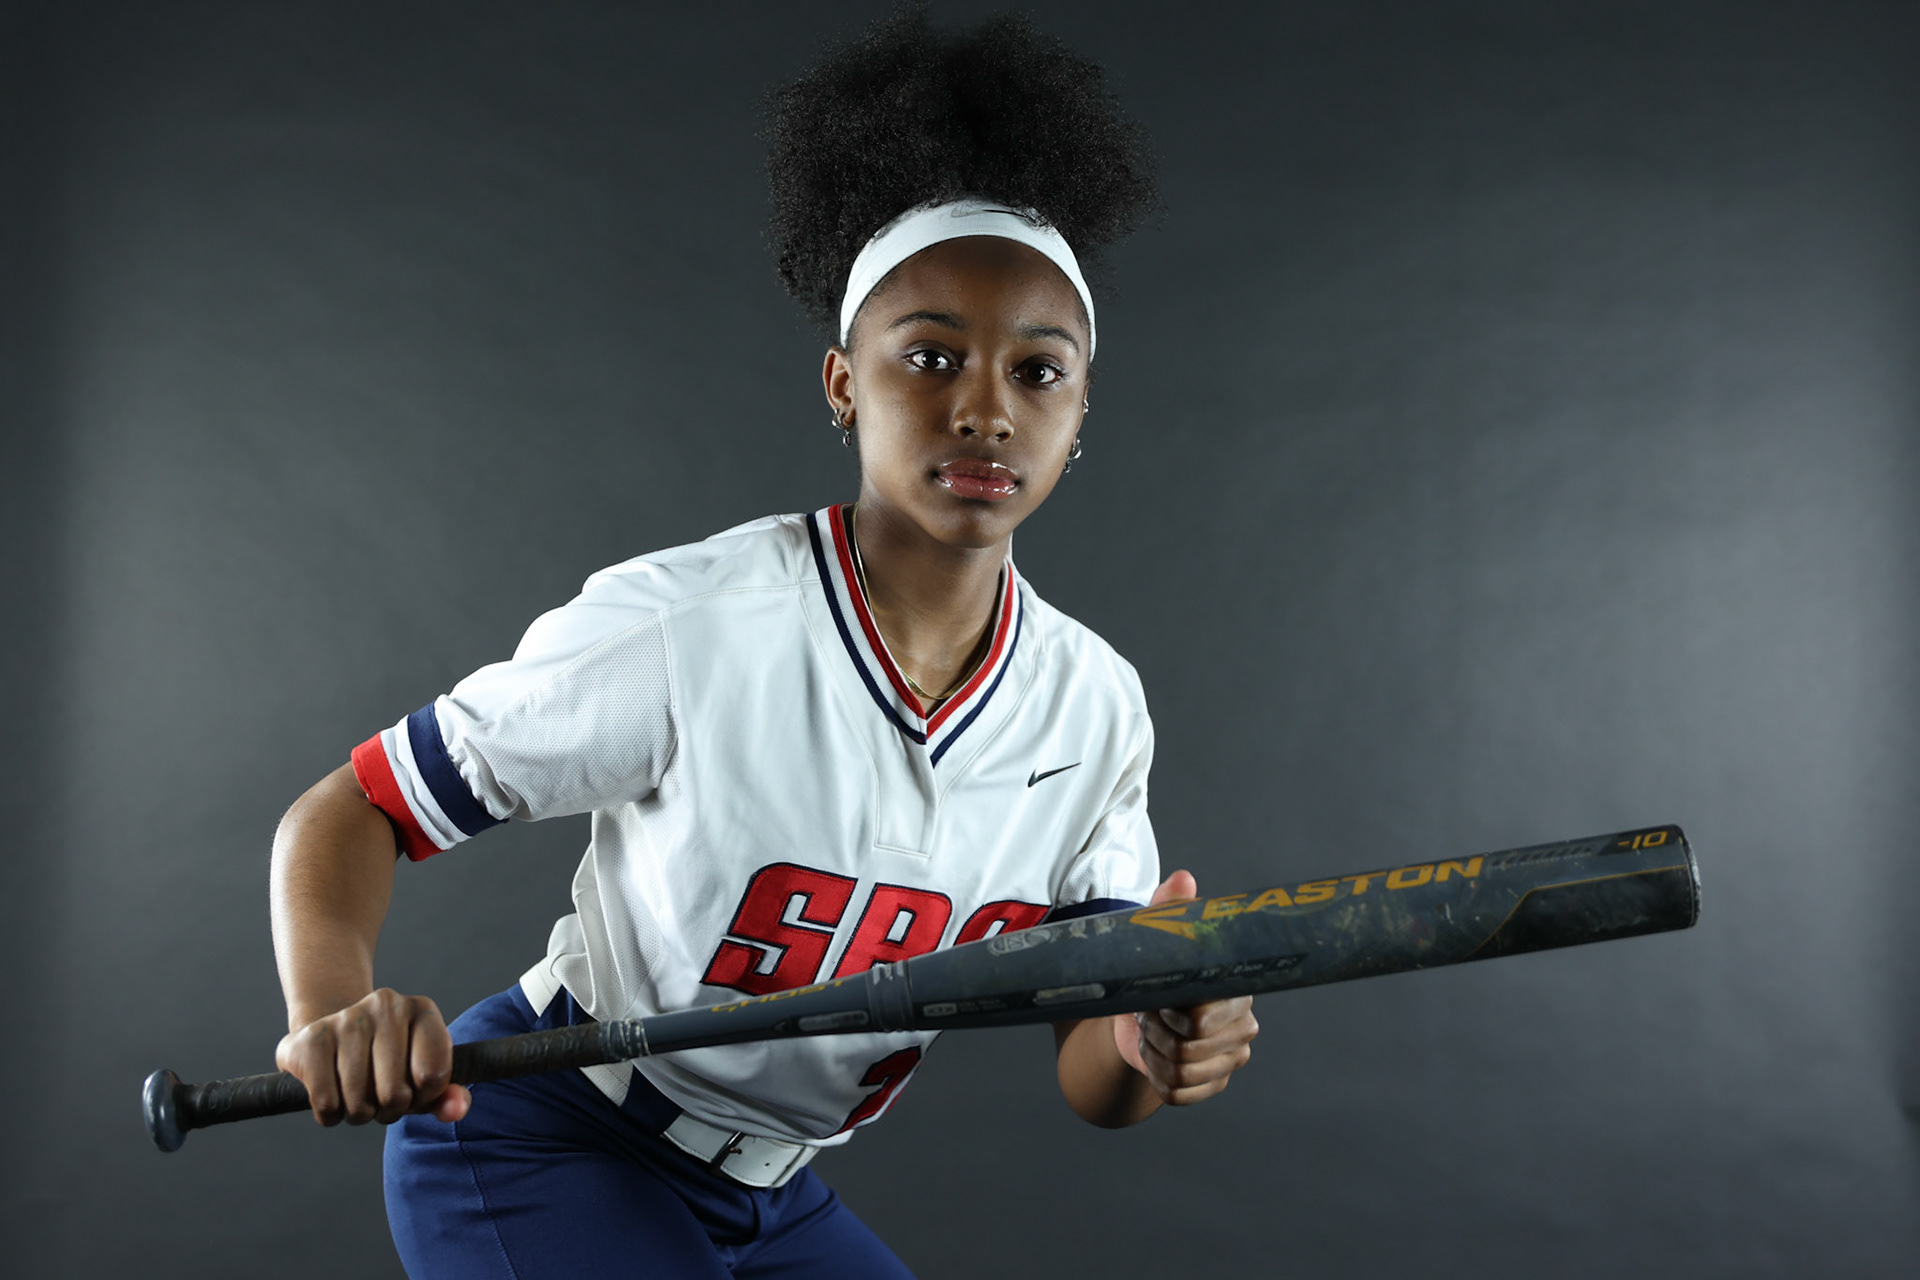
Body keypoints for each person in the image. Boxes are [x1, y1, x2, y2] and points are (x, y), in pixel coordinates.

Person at [269, 8, 1259, 1277]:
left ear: (1081, 408)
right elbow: (347, 811)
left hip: (778, 1196)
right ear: (845, 382)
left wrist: (1156, 1039)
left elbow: (1090, 1067)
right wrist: (332, 1006)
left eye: (1037, 372)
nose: (984, 407)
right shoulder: (693, 626)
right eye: (931, 357)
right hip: (550, 1138)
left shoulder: (1092, 706)